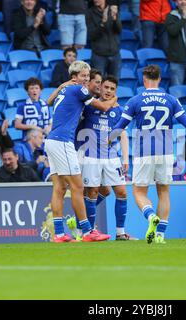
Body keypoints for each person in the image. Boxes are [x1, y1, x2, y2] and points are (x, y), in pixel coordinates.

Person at [112, 64, 186, 244]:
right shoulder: (171, 99)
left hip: (144, 152)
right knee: (164, 192)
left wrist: (107, 138)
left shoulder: (135, 100)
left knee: (138, 191)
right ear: (159, 79)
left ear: (144, 80)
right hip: (166, 152)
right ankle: (161, 234)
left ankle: (150, 215)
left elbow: (120, 127)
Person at [45, 60, 116, 243]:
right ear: (74, 77)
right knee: (78, 187)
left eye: (87, 76)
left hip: (52, 141)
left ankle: (59, 234)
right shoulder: (79, 89)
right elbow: (104, 107)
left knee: (59, 188)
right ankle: (87, 231)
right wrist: (114, 98)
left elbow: (47, 101)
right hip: (62, 142)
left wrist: (62, 84)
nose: (86, 79)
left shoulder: (65, 89)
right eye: (83, 76)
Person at [75, 75, 136, 240]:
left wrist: (124, 158)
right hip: (90, 157)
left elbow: (122, 134)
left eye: (112, 89)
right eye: (106, 87)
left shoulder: (119, 111)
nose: (108, 91)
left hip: (111, 157)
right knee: (93, 192)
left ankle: (120, 232)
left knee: (122, 192)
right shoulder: (88, 105)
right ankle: (88, 232)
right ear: (100, 87)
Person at [86, 0, 122, 78]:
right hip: (99, 55)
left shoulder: (112, 10)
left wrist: (115, 18)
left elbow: (119, 30)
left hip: (115, 53)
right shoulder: (89, 13)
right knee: (97, 84)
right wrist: (102, 23)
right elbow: (92, 35)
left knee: (114, 83)